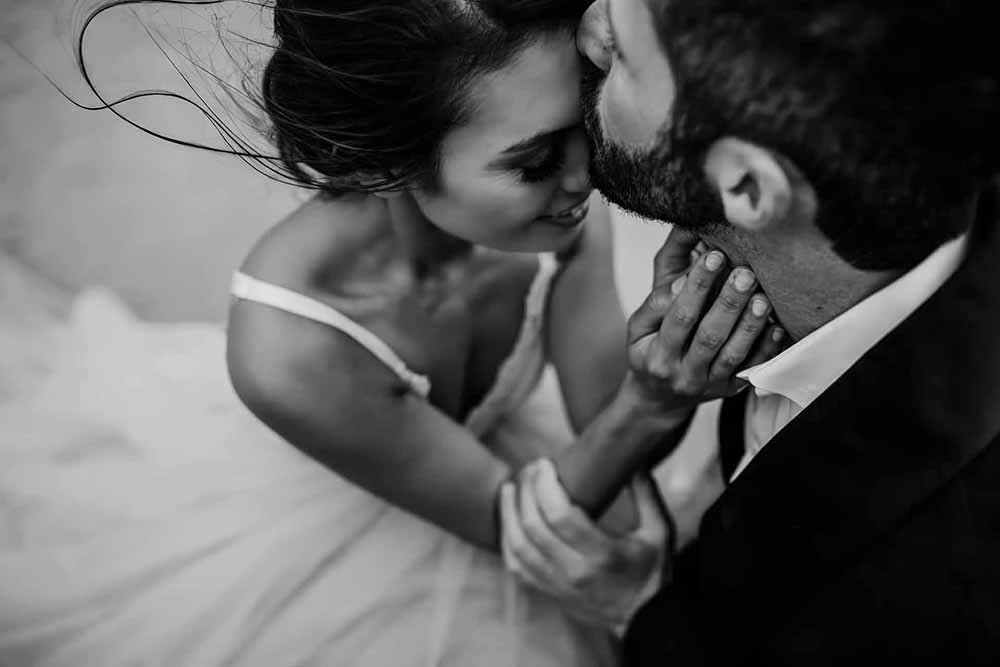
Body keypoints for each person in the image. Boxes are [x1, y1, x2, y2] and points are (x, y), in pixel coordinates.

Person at [502, 0, 1000, 663]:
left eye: (625, 53)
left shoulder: (940, 579)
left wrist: (650, 607)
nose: (590, 30)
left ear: (748, 189)